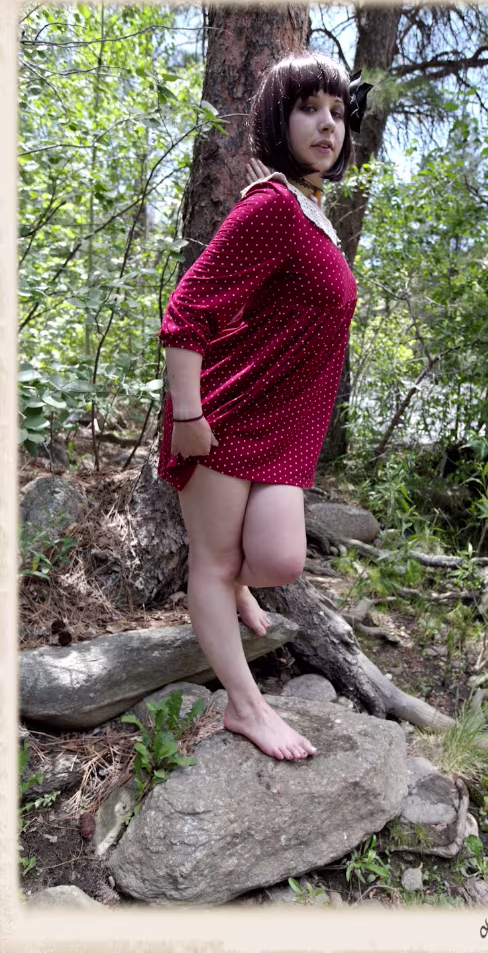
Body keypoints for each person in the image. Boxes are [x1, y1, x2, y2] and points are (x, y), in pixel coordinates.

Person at [157, 51, 371, 761]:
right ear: (279, 119)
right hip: (222, 416)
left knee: (278, 560)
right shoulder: (273, 207)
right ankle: (246, 708)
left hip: (280, 427)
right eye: (309, 109)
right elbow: (186, 312)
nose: (328, 125)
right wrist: (189, 417)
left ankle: (230, 588)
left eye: (337, 112)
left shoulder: (310, 213)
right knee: (215, 563)